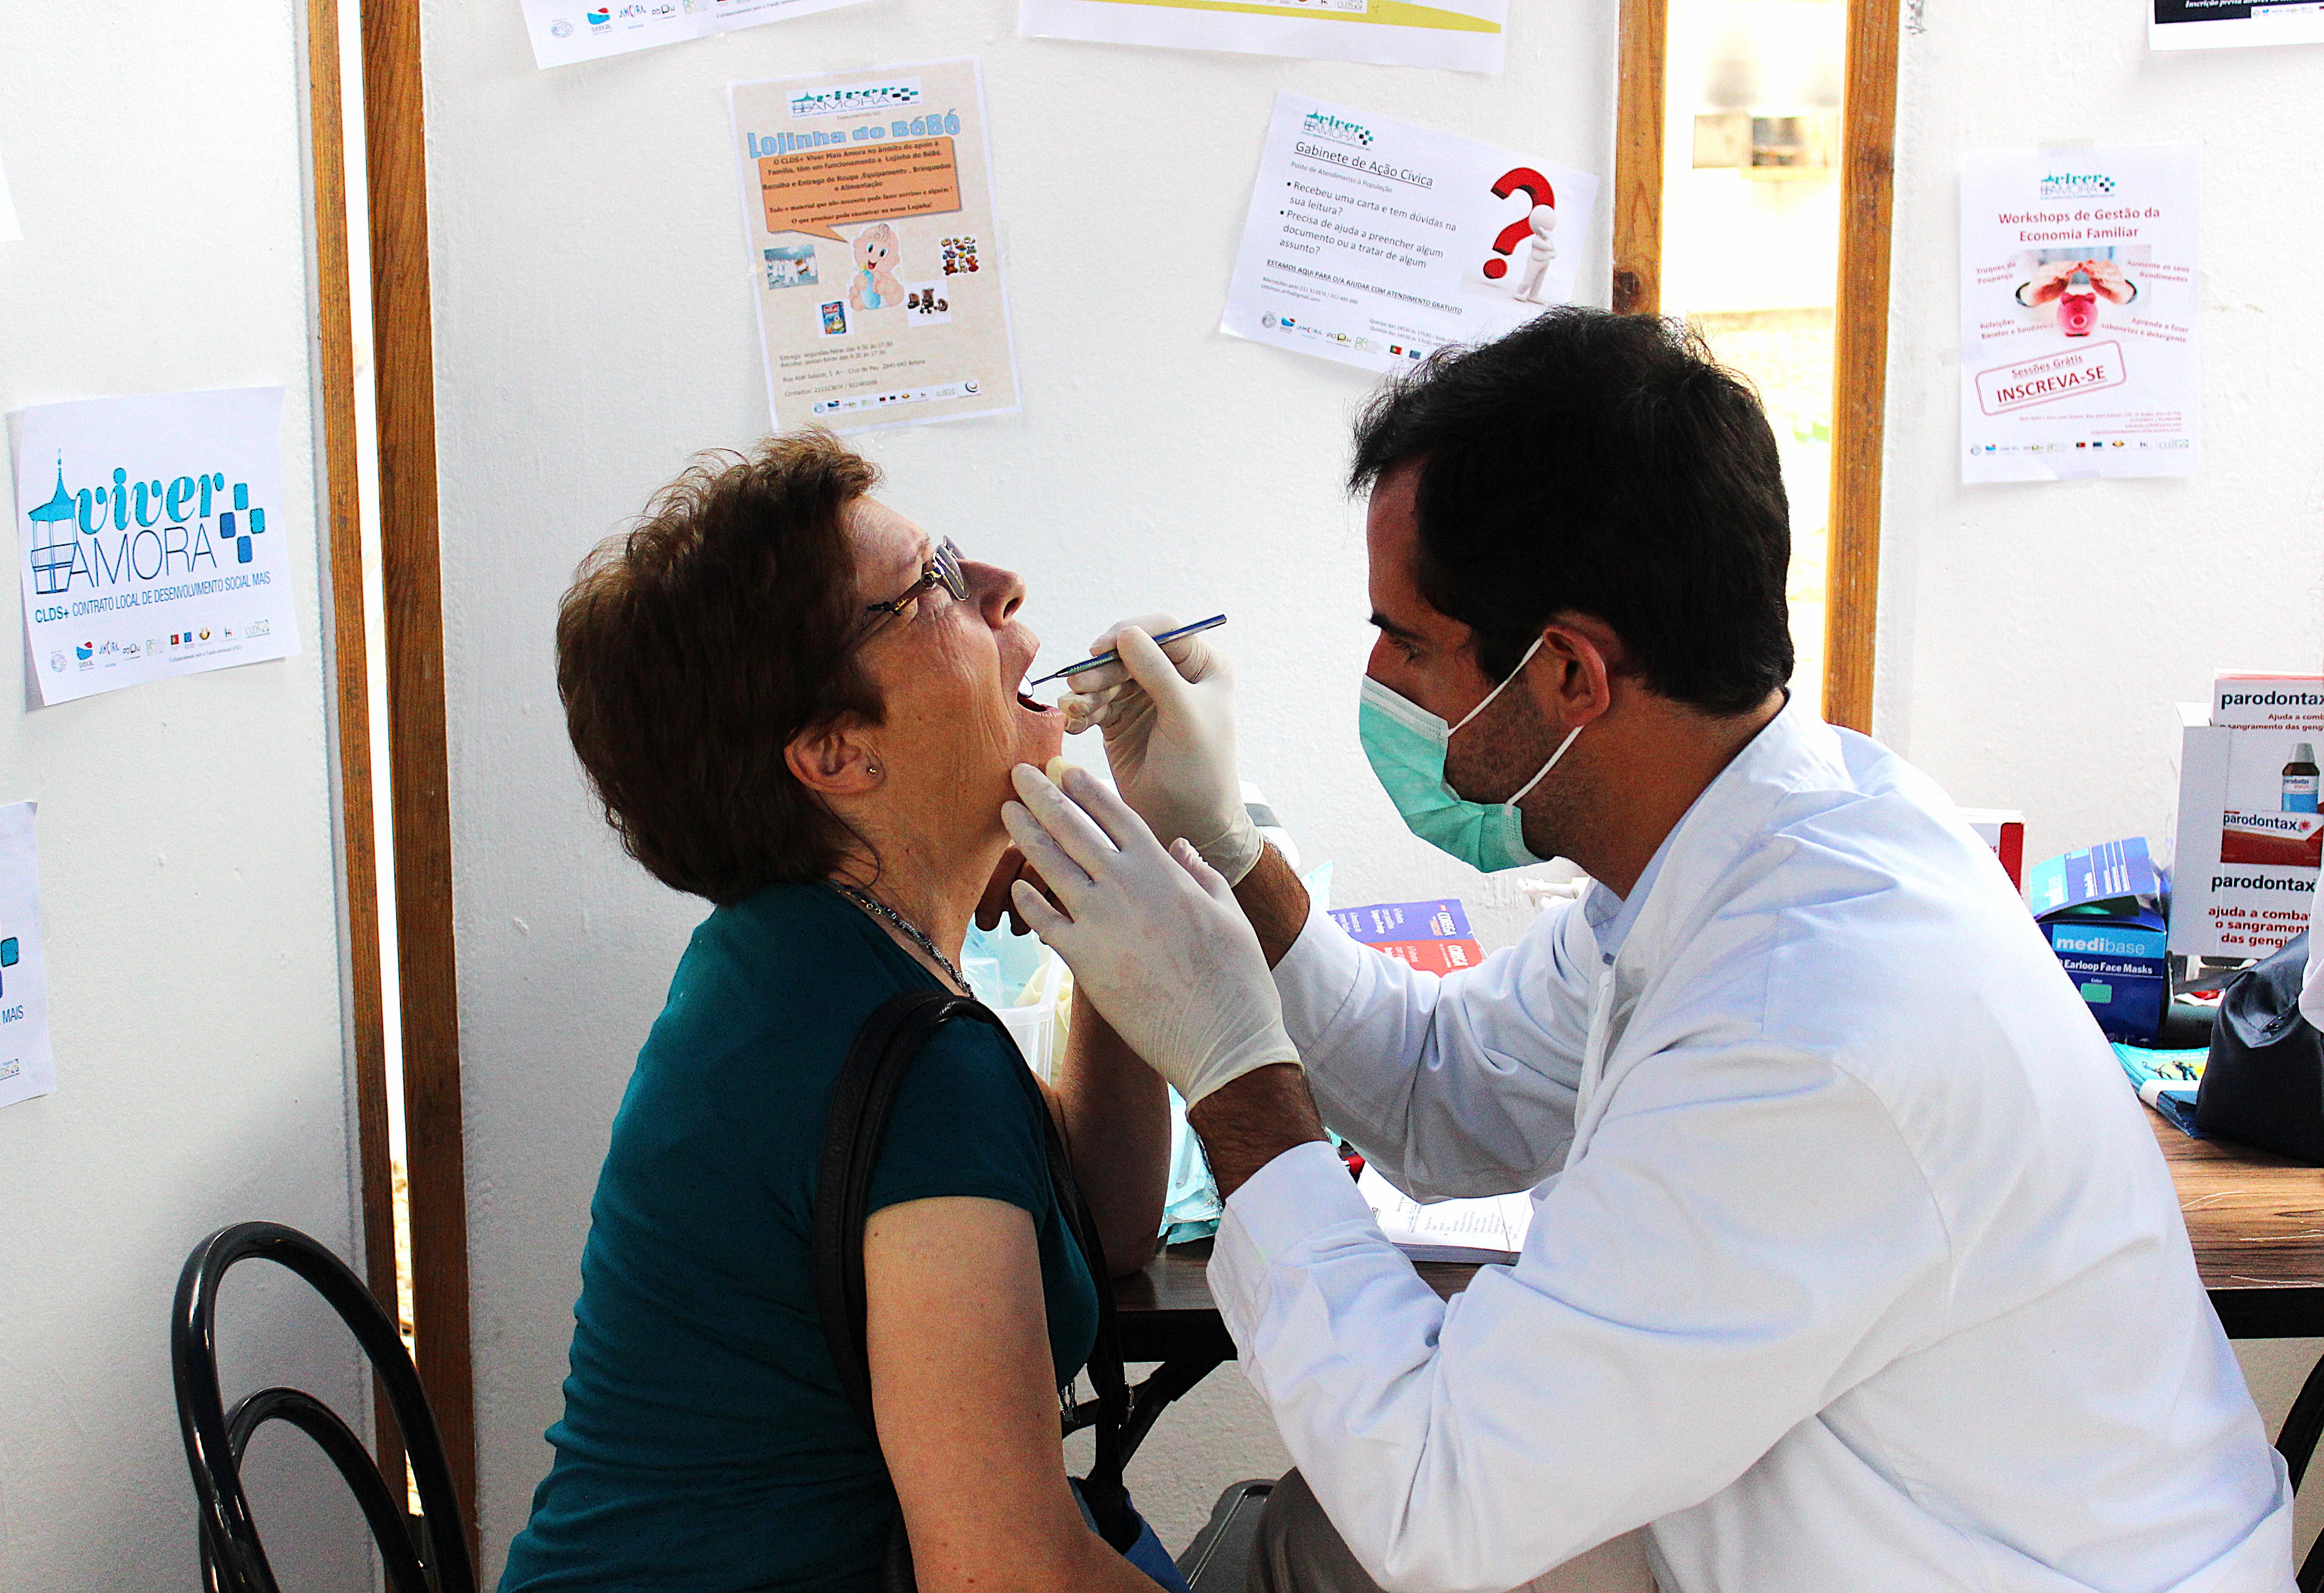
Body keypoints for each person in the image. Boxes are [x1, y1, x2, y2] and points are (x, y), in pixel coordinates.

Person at [994, 311, 2295, 1593]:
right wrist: (1229, 852)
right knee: (1312, 1542)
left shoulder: (1810, 1025)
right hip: (1845, 1524)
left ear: (1570, 672)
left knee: (1365, 1535)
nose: (1382, 678)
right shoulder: (1741, 847)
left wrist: (1233, 1068)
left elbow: (1439, 1499)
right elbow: (1446, 1091)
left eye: (1411, 642)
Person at [499, 432, 1182, 1593]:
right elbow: (1012, 1579)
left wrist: (1111, 908)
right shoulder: (902, 1054)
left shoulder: (798, 956)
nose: (1001, 584)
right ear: (835, 752)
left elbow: (1103, 1222)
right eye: (934, 584)